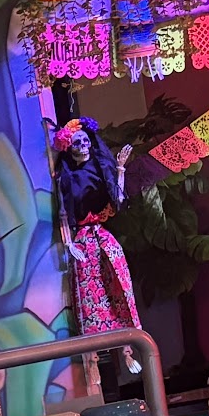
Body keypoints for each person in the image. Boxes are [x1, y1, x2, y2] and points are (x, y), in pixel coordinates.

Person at [53, 116, 143, 378]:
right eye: (76, 142)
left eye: (85, 140)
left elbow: (118, 200)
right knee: (87, 297)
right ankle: (91, 360)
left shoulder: (100, 169)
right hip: (82, 242)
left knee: (119, 286)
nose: (82, 145)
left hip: (103, 237)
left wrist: (120, 169)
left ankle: (127, 350)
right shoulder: (66, 178)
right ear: (69, 148)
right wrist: (69, 243)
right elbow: (63, 212)